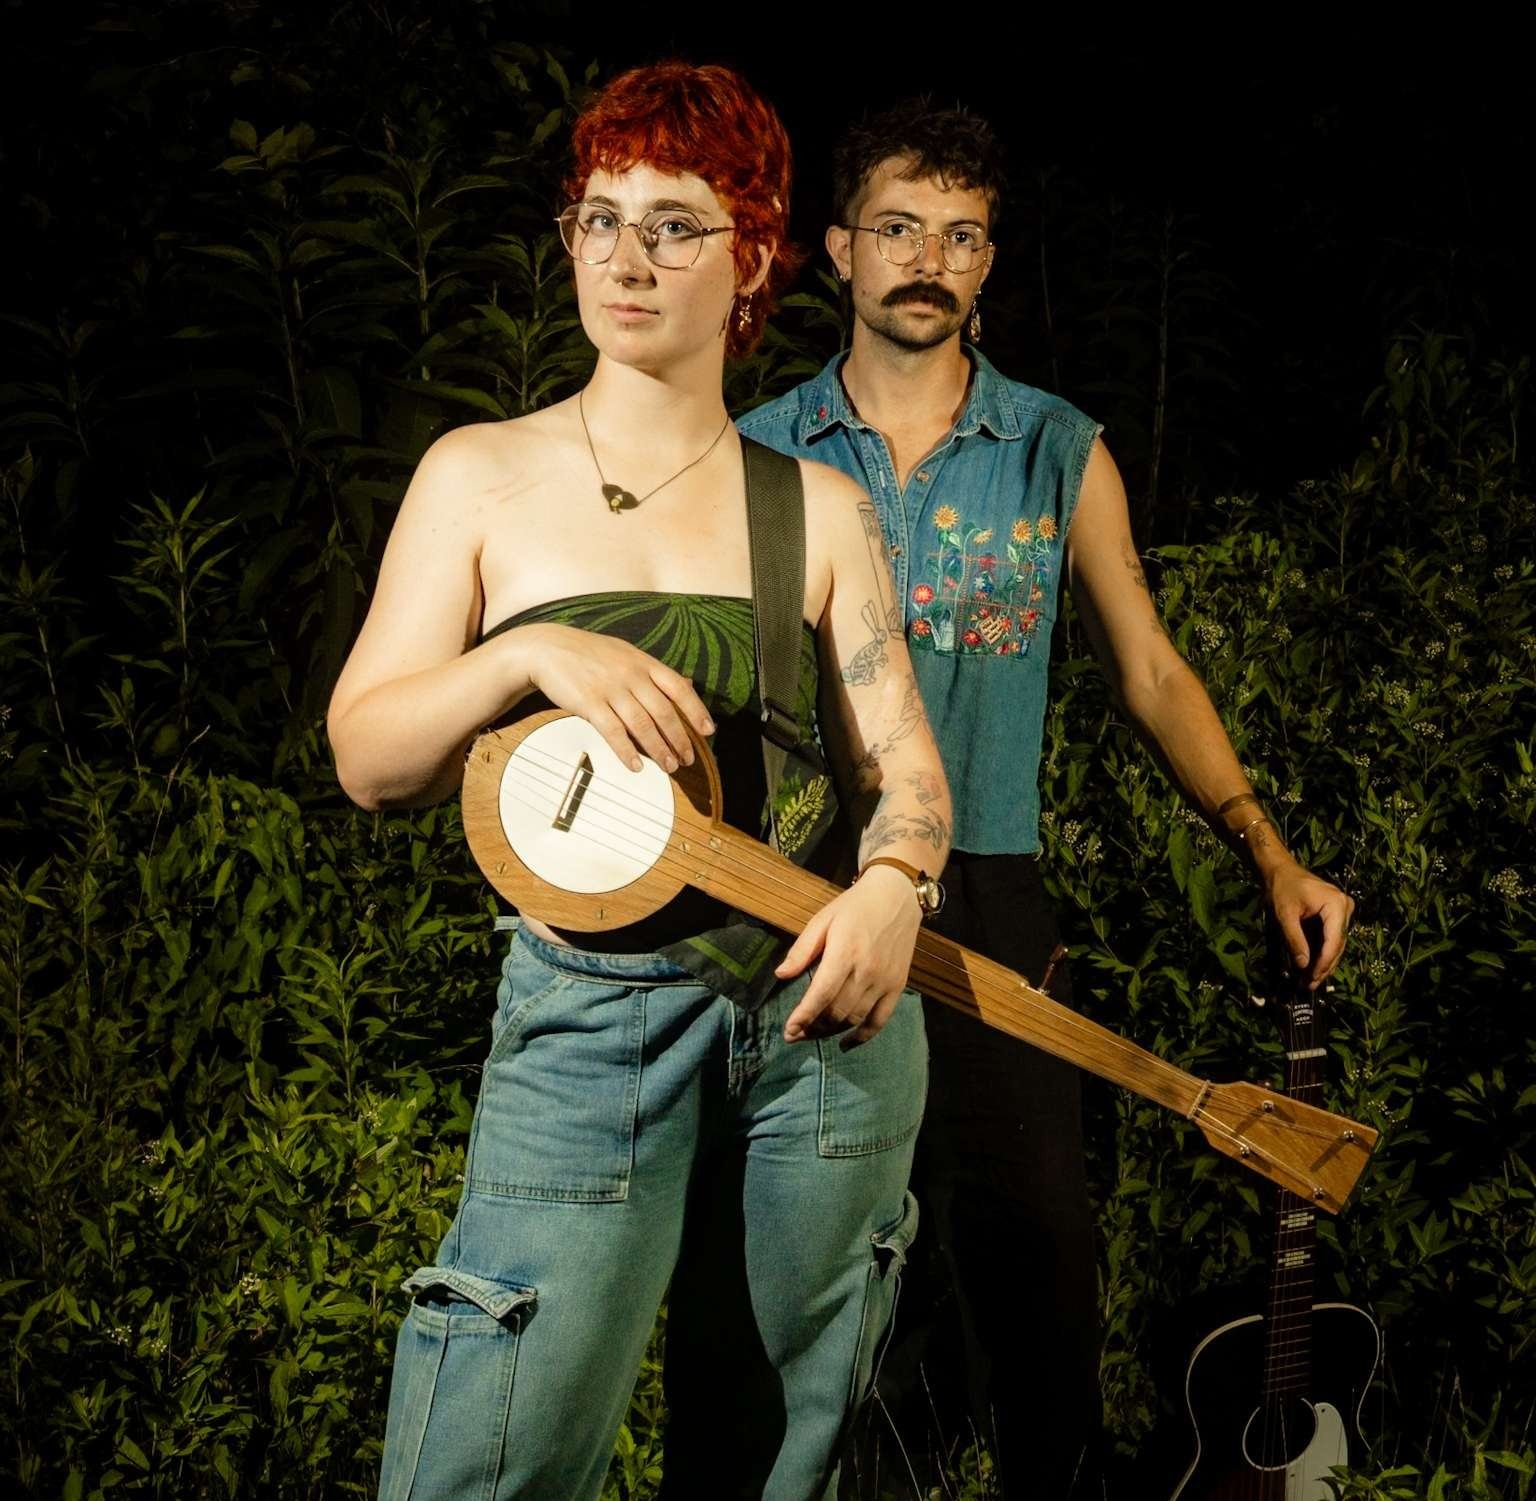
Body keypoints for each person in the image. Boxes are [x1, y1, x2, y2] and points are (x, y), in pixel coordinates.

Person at [328, 63, 952, 1501]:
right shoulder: (481, 475)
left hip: (824, 1013)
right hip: (588, 1017)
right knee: (496, 1431)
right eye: (597, 217)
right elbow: (368, 756)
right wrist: (528, 653)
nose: (623, 255)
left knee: (801, 1444)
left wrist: (893, 886)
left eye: (674, 224)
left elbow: (904, 762)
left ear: (756, 257)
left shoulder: (817, 507)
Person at [737, 103, 1354, 1498]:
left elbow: (1148, 667)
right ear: (839, 248)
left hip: (990, 895)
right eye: (898, 227)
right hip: (803, 890)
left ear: (989, 264)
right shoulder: (759, 449)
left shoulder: (1055, 449)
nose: (928, 259)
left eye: (961, 236)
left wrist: (1268, 852)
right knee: (816, 1265)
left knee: (1037, 1257)